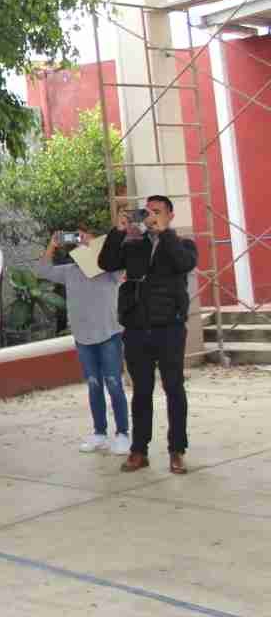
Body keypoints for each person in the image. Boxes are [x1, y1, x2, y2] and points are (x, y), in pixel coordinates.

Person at [98, 197, 197, 475]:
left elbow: (183, 263)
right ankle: (139, 451)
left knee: (174, 388)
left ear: (170, 215)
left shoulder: (182, 244)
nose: (151, 216)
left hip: (169, 328)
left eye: (158, 212)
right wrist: (118, 231)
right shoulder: (134, 243)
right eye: (148, 212)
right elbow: (106, 263)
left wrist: (164, 233)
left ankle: (177, 450)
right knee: (141, 392)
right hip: (137, 328)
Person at [34, 229, 130, 455]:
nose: (78, 242)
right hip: (83, 337)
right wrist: (52, 245)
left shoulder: (108, 270)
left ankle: (123, 433)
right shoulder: (69, 271)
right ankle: (99, 433)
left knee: (114, 384)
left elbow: (122, 268)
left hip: (109, 334)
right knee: (94, 384)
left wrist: (94, 245)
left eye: (82, 238)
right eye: (75, 240)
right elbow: (41, 270)